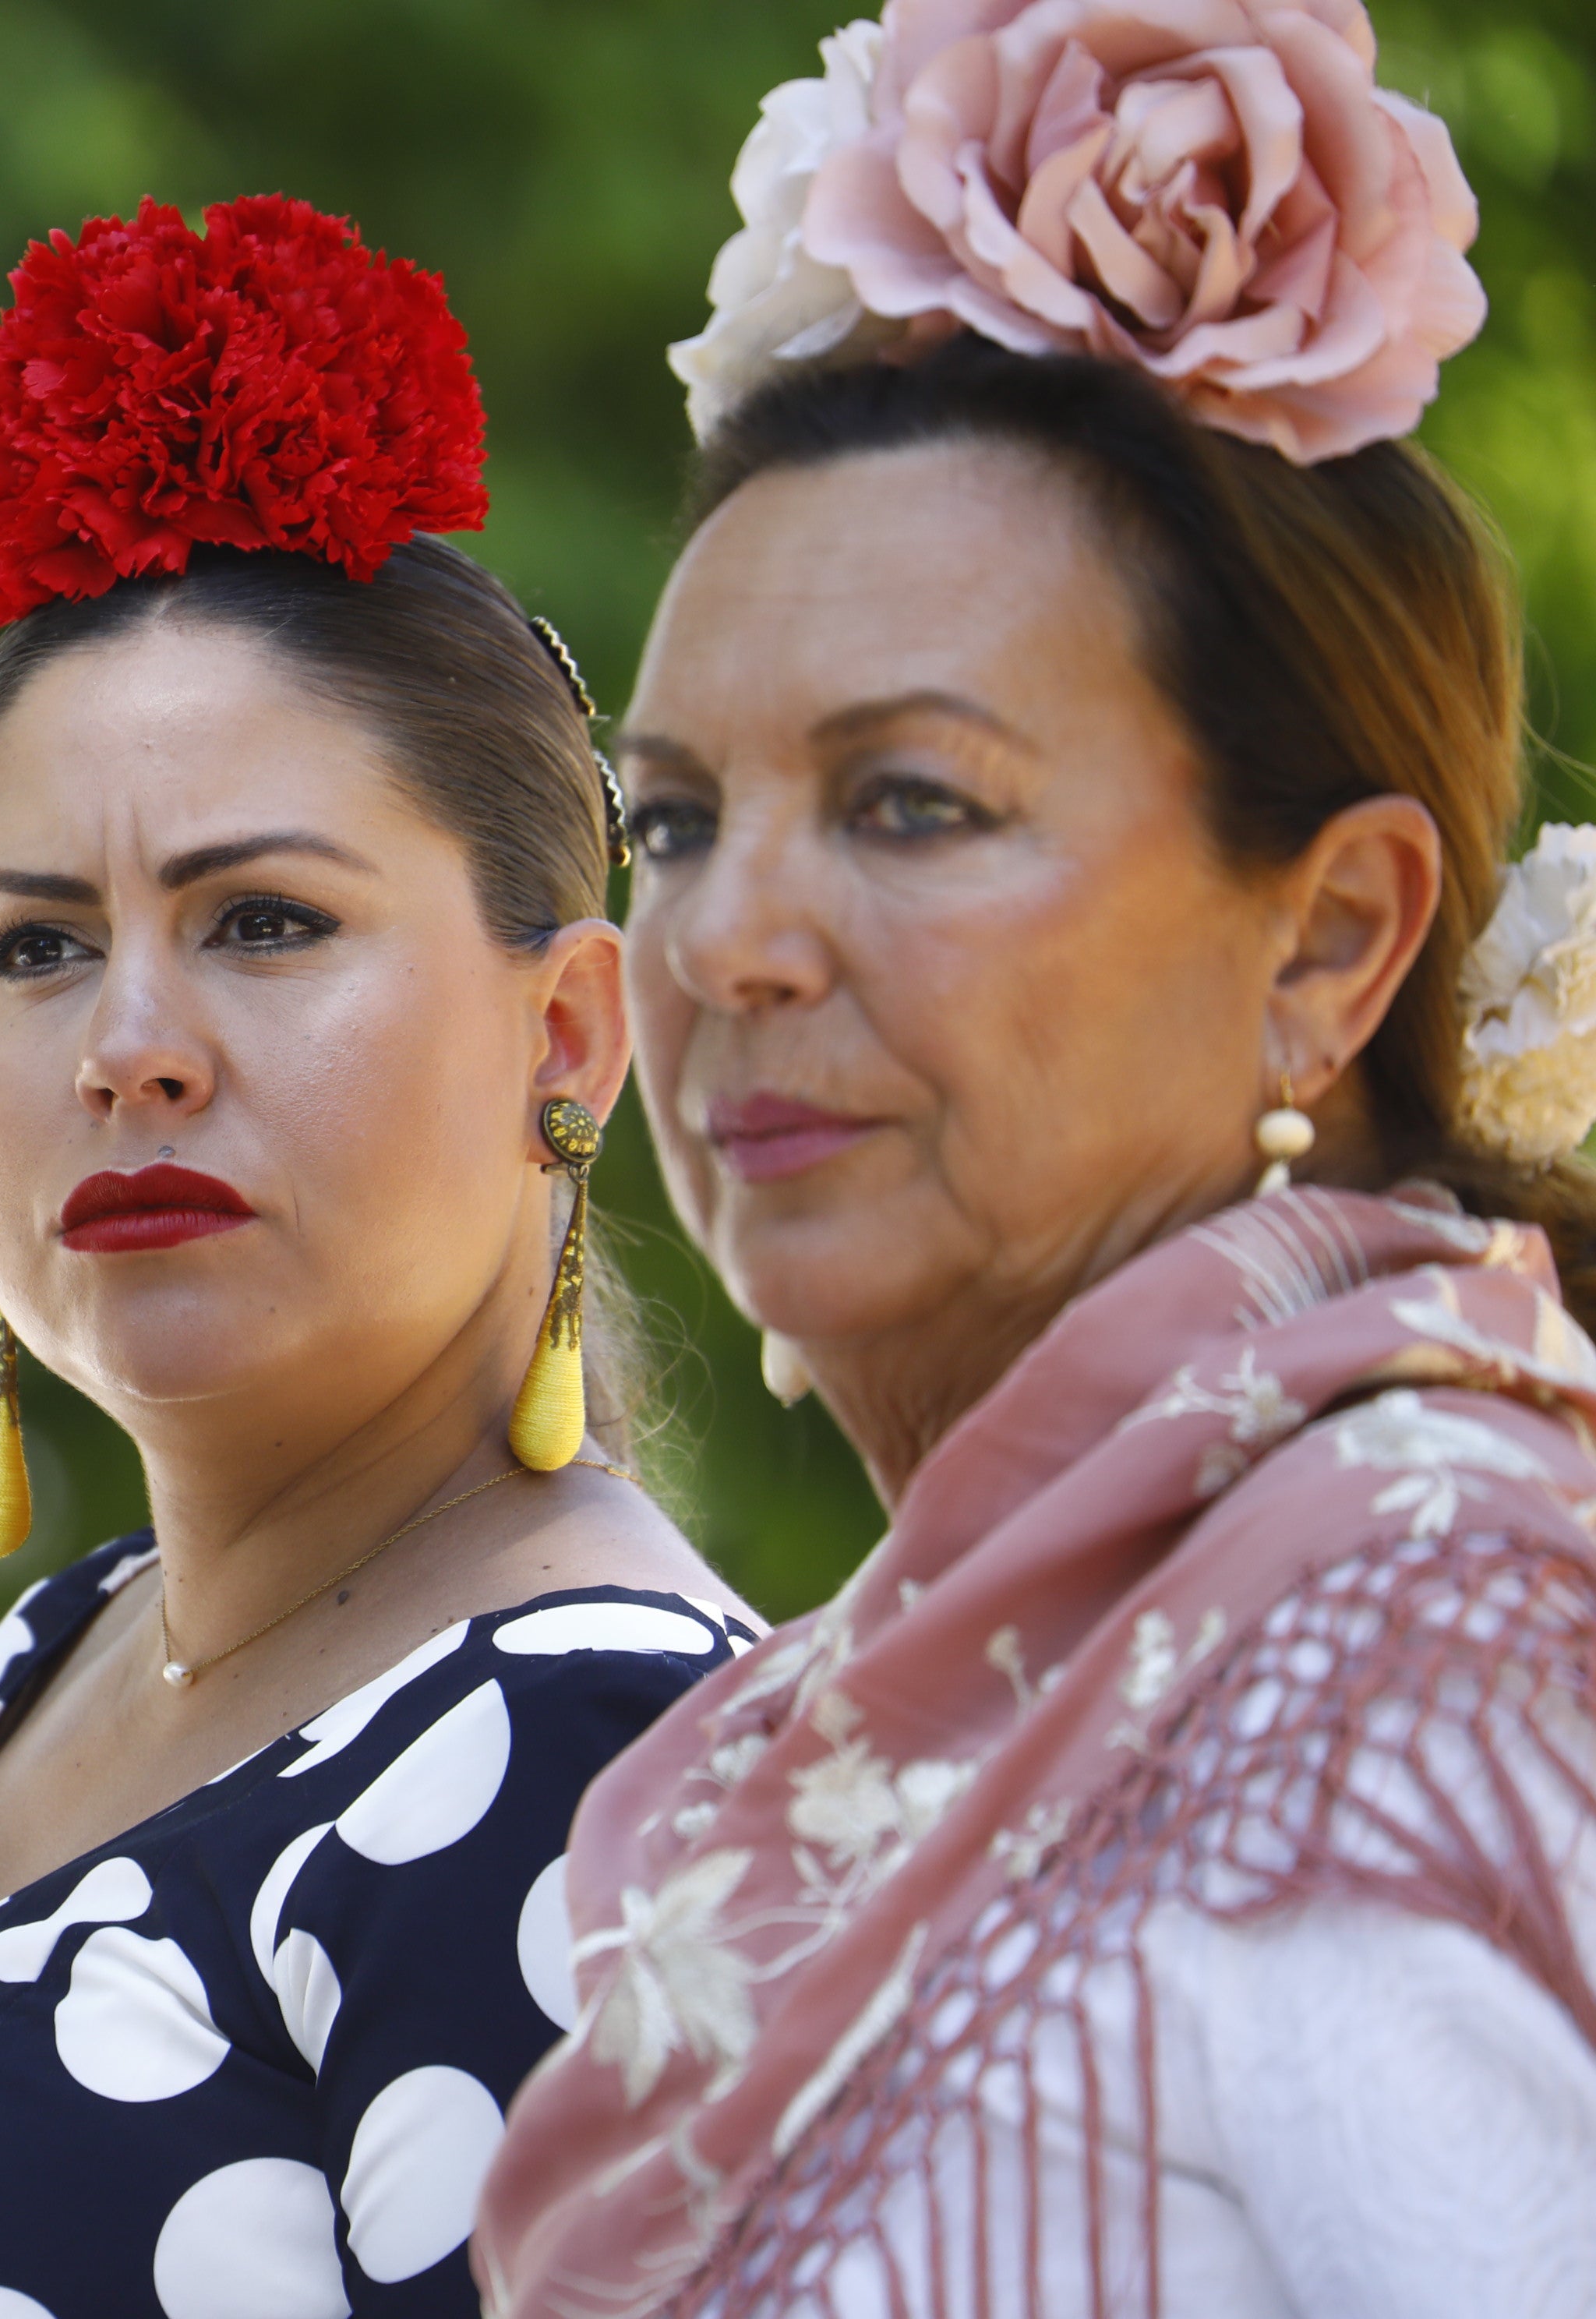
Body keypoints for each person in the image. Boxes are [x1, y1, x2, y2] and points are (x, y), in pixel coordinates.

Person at [474, 7, 1596, 2316]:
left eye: (914, 804)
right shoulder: (936, 1684)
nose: (724, 941)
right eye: (672, 820)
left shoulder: (1412, 1620)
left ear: (1334, 940)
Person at [0, 196, 751, 2319]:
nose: (128, 1048)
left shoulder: (607, 1764)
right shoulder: (63, 1655)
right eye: (34, 948)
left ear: (567, 1034)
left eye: (265, 922)